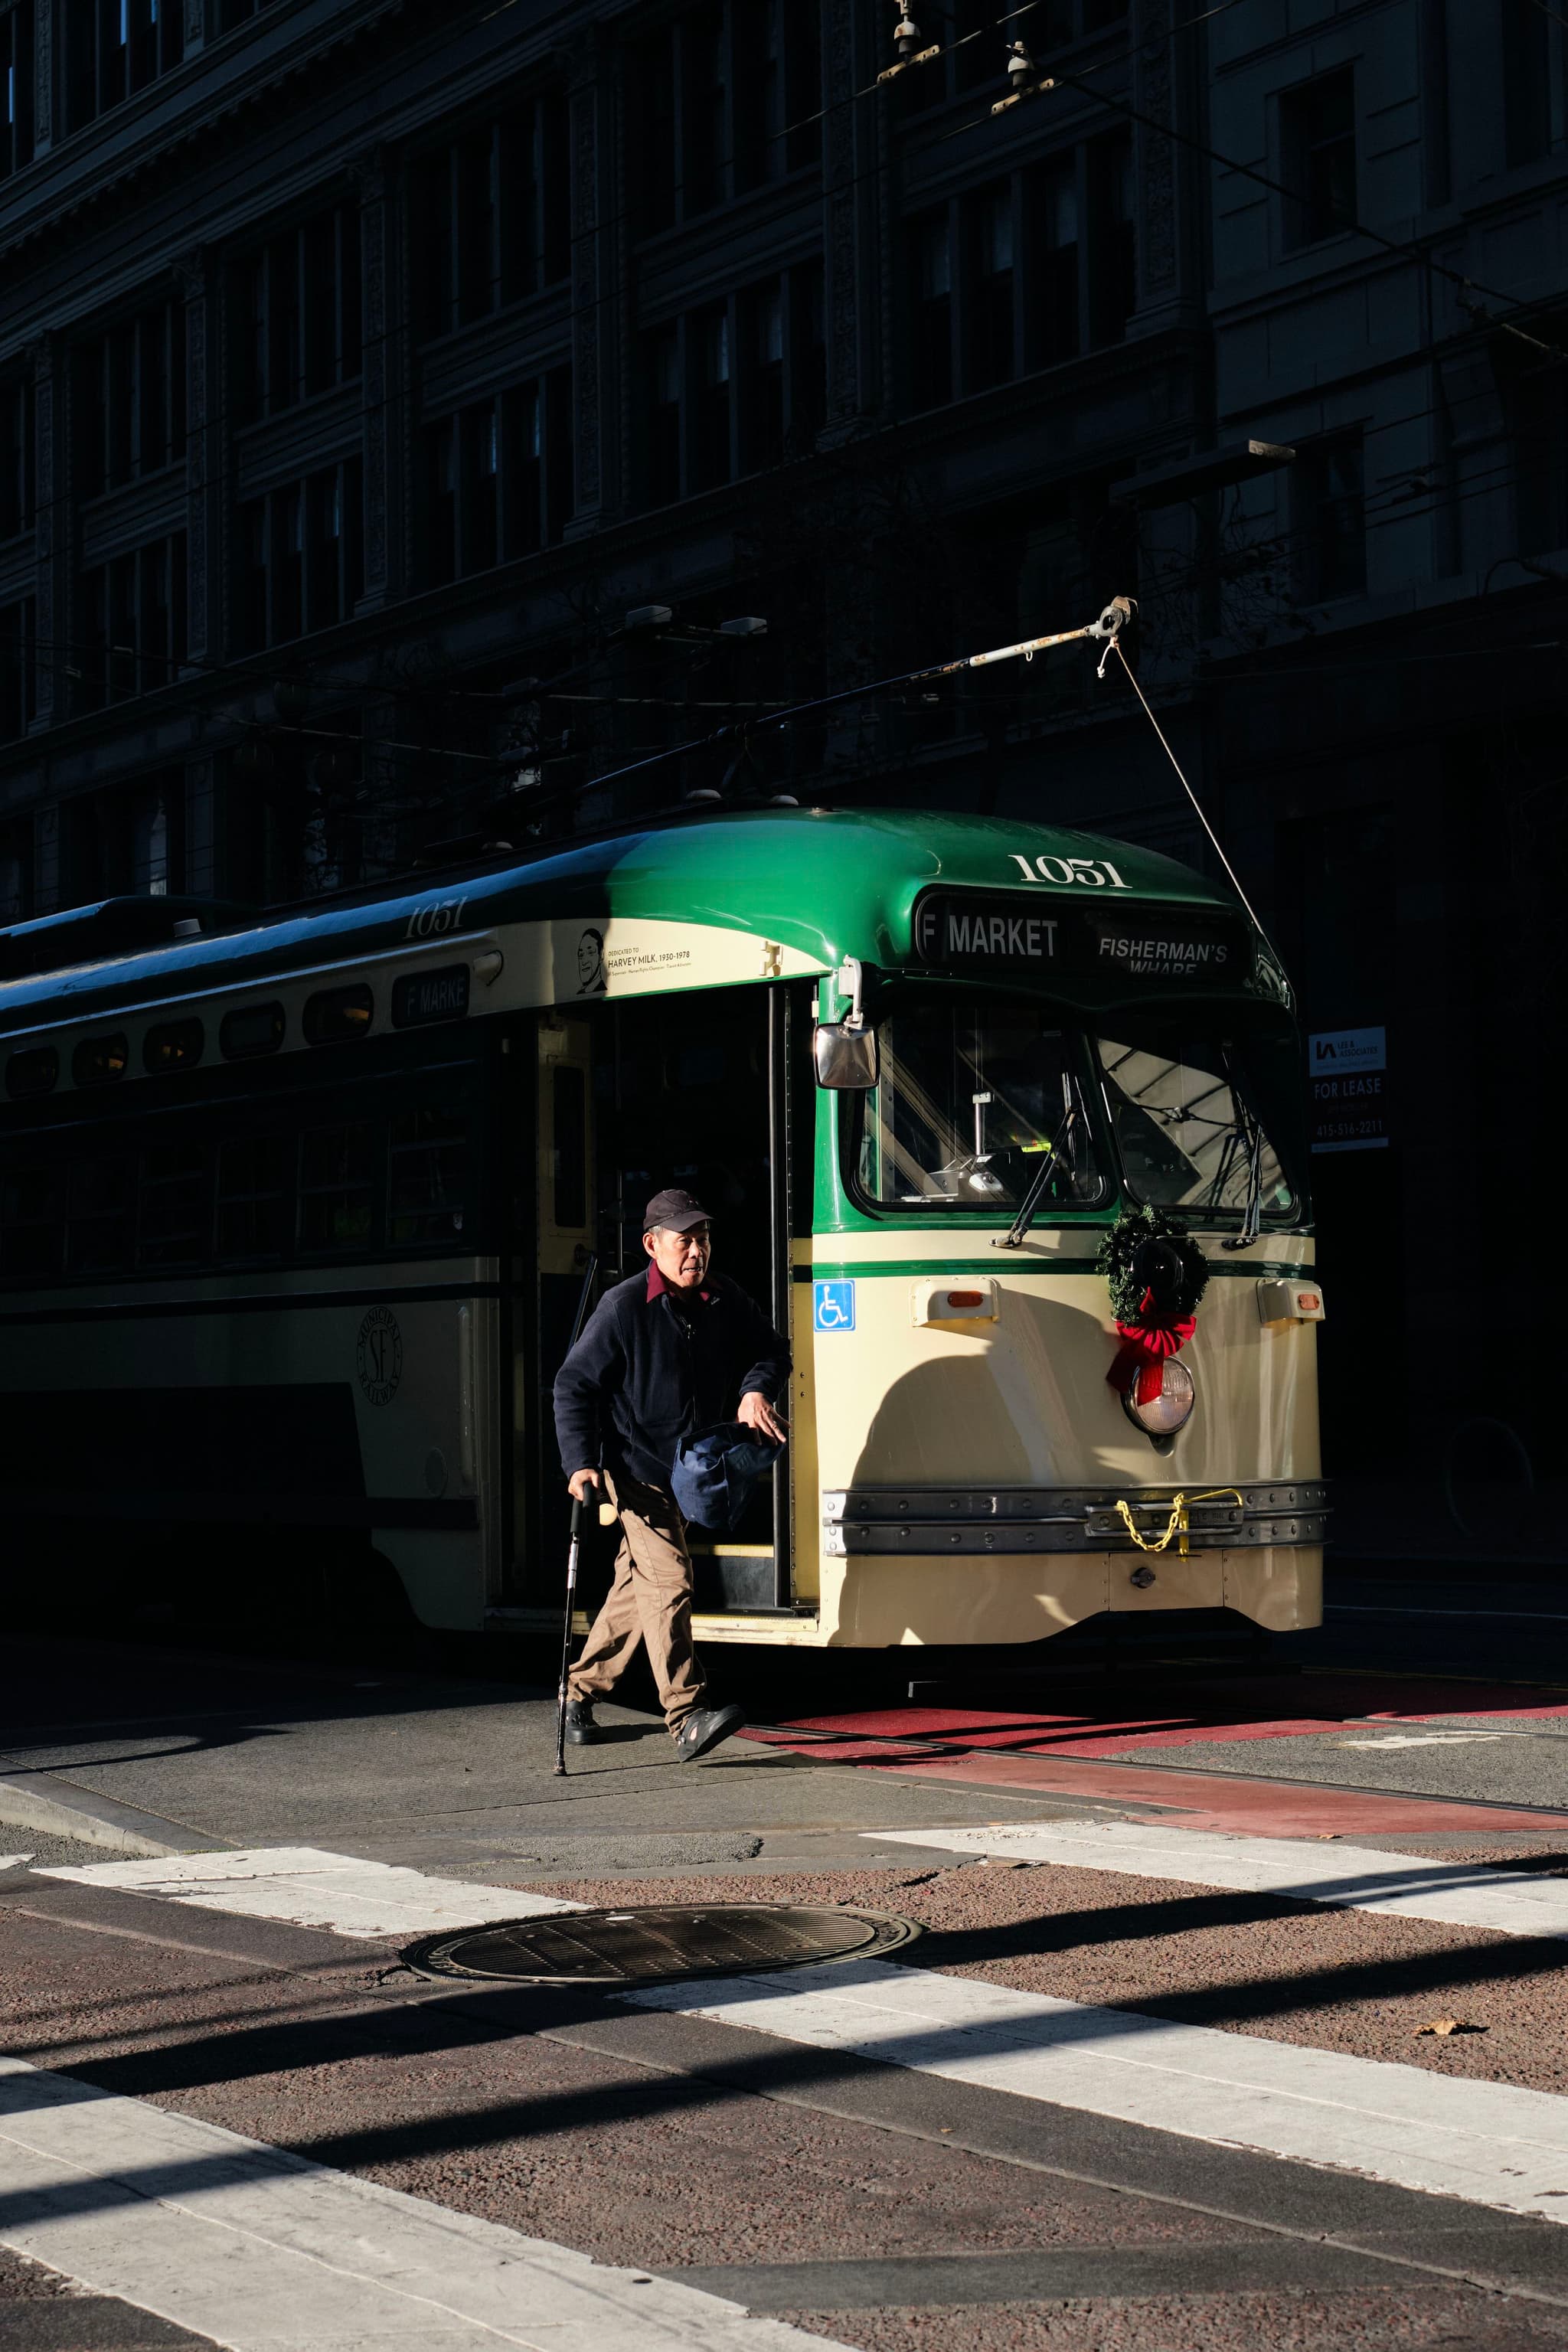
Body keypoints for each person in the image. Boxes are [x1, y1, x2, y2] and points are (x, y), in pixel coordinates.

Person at [553, 1187, 791, 1762]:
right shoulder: (623, 1306)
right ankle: (685, 1715)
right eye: (684, 1240)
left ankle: (578, 1691)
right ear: (652, 1244)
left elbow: (773, 1349)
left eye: (703, 1238)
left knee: (639, 1588)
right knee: (671, 1581)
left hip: (687, 1469)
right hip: (633, 1467)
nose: (696, 1251)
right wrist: (580, 1461)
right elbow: (574, 1385)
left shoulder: (722, 1297)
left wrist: (755, 1389)